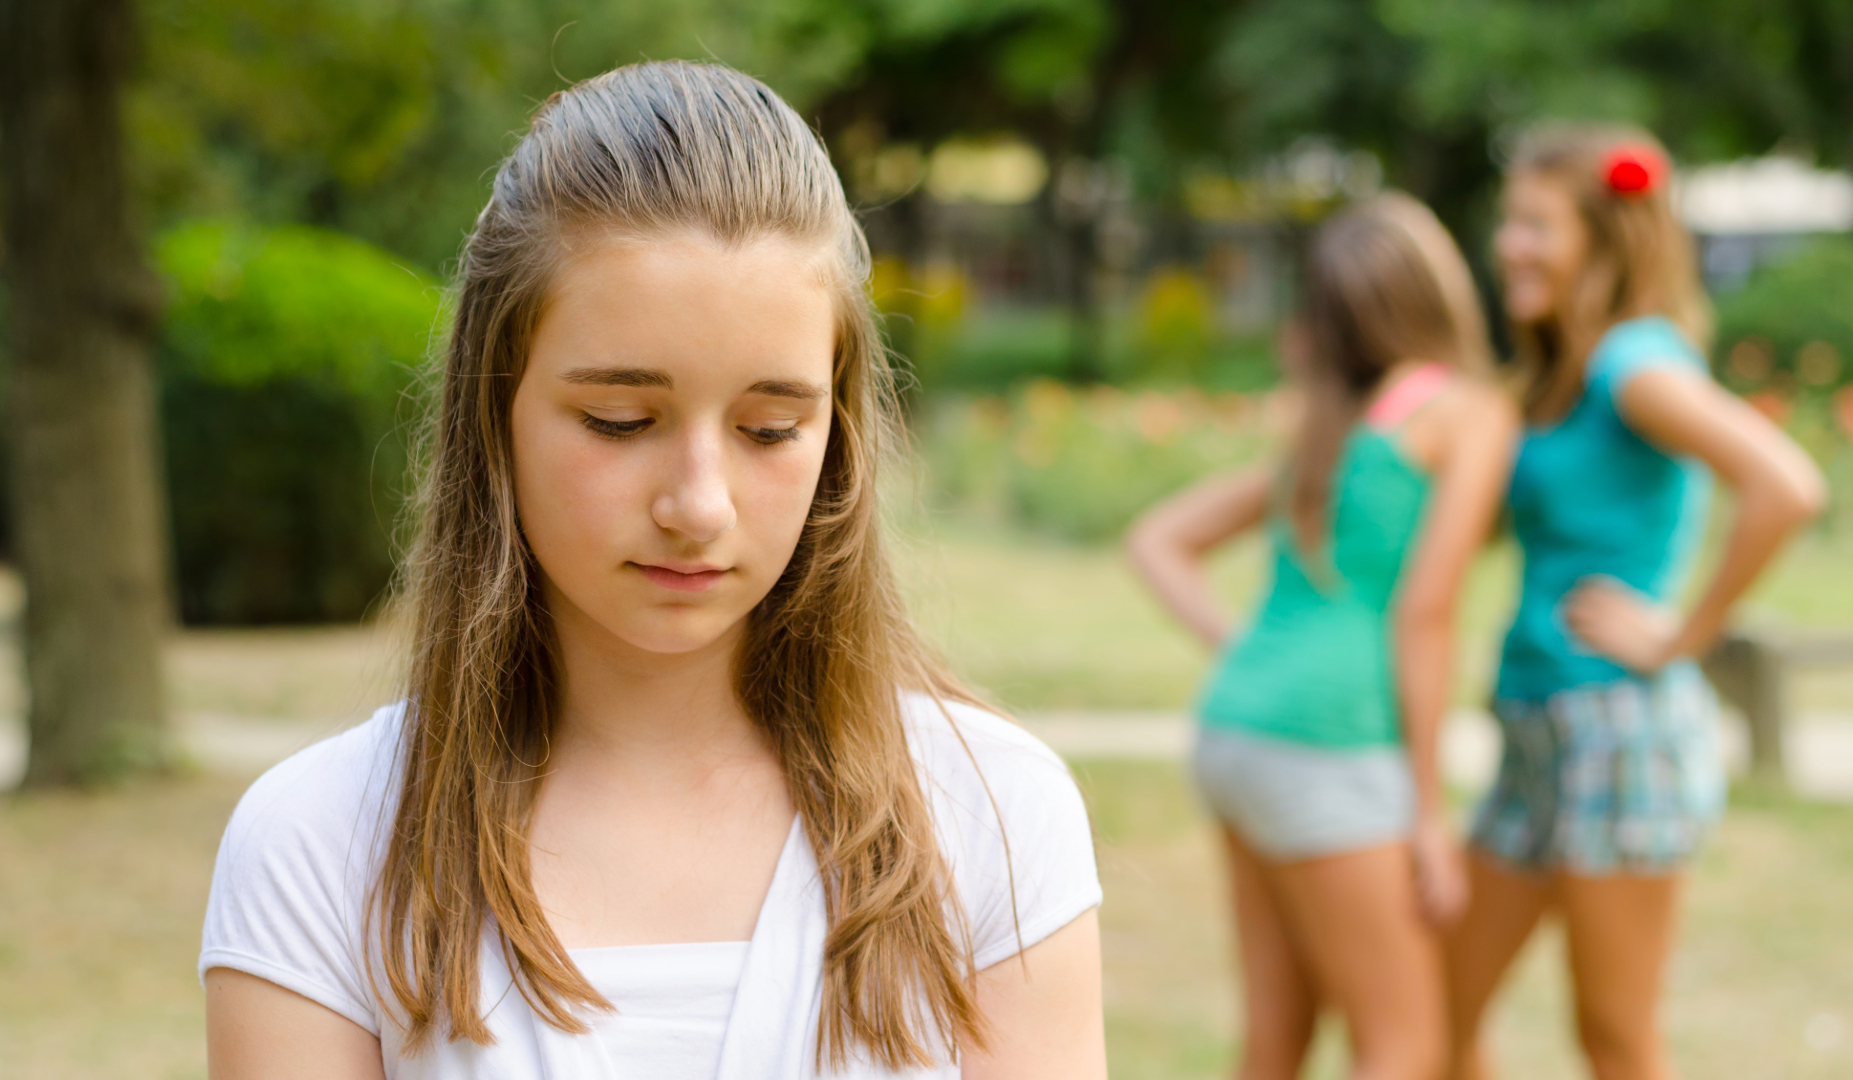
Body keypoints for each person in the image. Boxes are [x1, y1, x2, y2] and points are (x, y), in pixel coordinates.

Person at [199, 61, 1106, 1080]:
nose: (699, 504)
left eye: (771, 429)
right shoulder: (321, 844)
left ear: (837, 436)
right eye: (620, 422)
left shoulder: (991, 816)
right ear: (492, 412)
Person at [1443, 125, 1826, 1080]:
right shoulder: (1555, 375)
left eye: (1537, 224)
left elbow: (1785, 485)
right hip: (1535, 726)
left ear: (1605, 240)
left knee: (1614, 1040)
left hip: (1616, 726)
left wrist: (1682, 638)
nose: (1509, 246)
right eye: (1508, 223)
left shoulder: (1633, 363)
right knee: (1439, 1016)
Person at [1128, 192, 1518, 1080]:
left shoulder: (1324, 428)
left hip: (1237, 732)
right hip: (1335, 742)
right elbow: (1427, 615)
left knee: (1278, 1035)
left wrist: (1242, 649)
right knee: (1407, 1046)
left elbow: (1155, 539)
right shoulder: (1465, 413)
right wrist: (1429, 809)